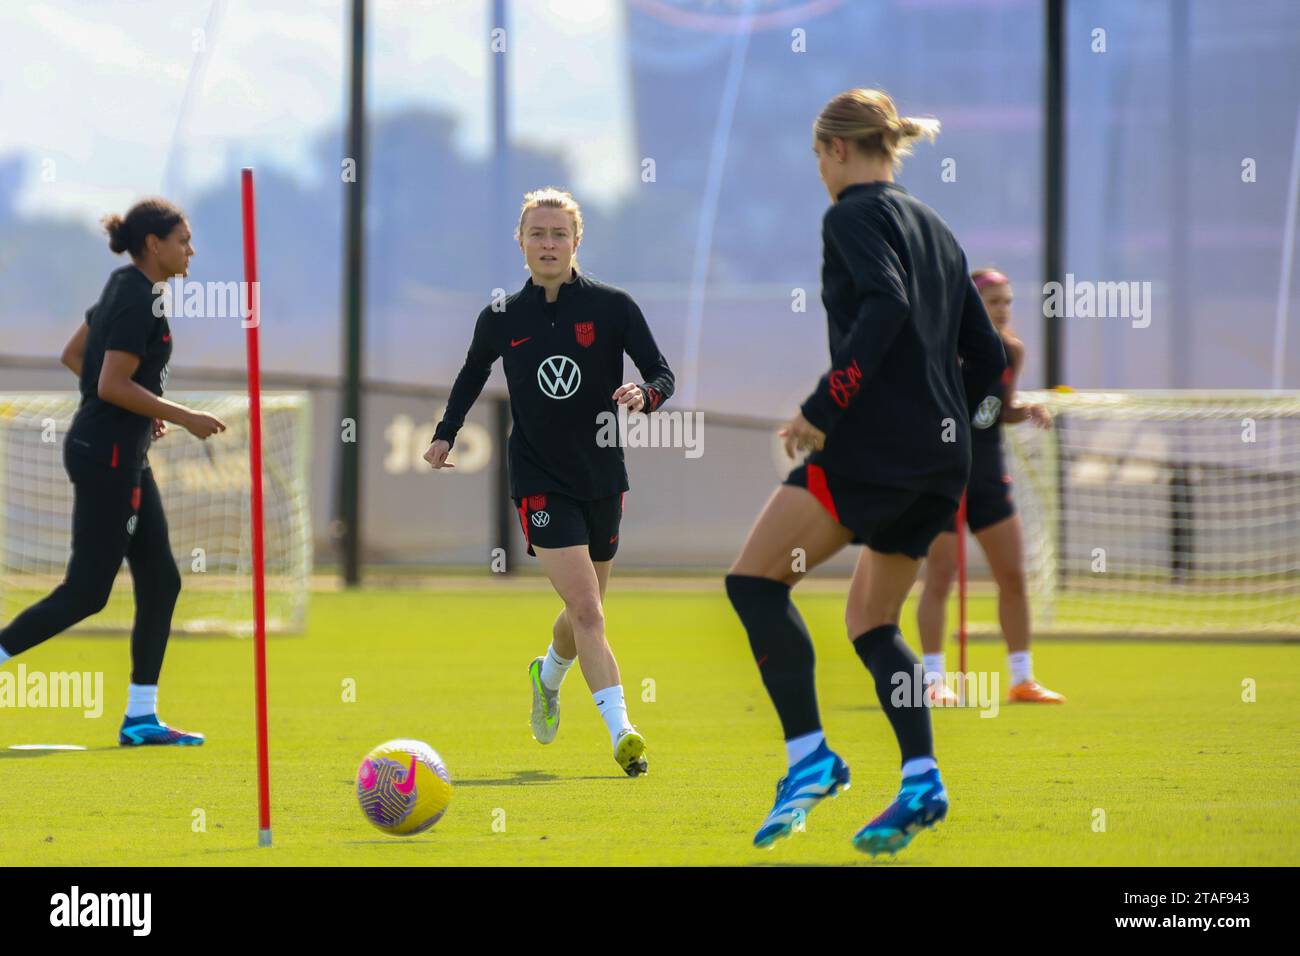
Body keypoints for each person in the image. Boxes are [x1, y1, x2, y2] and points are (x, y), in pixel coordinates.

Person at [724, 90, 1007, 855]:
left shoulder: (851, 215)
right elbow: (985, 358)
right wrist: (965, 430)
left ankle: (809, 758)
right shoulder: (938, 229)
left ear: (837, 149)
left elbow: (883, 305)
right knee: (872, 624)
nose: (819, 171)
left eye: (818, 156)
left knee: (753, 583)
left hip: (874, 449)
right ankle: (921, 778)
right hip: (938, 464)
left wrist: (823, 405)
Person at [425, 187, 675, 776]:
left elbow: (661, 371)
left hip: (603, 475)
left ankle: (548, 675)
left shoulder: (614, 307)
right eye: (537, 233)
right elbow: (470, 374)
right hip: (539, 478)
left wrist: (645, 394)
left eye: (558, 233)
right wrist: (445, 433)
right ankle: (624, 733)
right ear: (521, 242)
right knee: (588, 609)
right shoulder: (502, 317)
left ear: (576, 240)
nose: (548, 243)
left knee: (584, 609)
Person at [0, 198, 227, 745]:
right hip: (105, 457)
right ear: (154, 245)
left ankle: (141, 718)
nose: (191, 250)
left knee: (162, 581)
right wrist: (182, 415)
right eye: (183, 240)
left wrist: (138, 412)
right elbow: (108, 383)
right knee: (86, 593)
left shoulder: (125, 286)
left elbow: (75, 354)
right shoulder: (136, 299)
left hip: (116, 451)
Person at [917, 269, 1065, 705]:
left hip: (987, 475)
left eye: (1006, 301)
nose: (1001, 309)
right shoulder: (944, 349)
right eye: (991, 302)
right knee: (940, 576)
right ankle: (933, 681)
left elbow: (994, 409)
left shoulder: (1010, 352)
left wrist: (1024, 409)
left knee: (1013, 577)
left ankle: (1022, 678)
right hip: (943, 477)